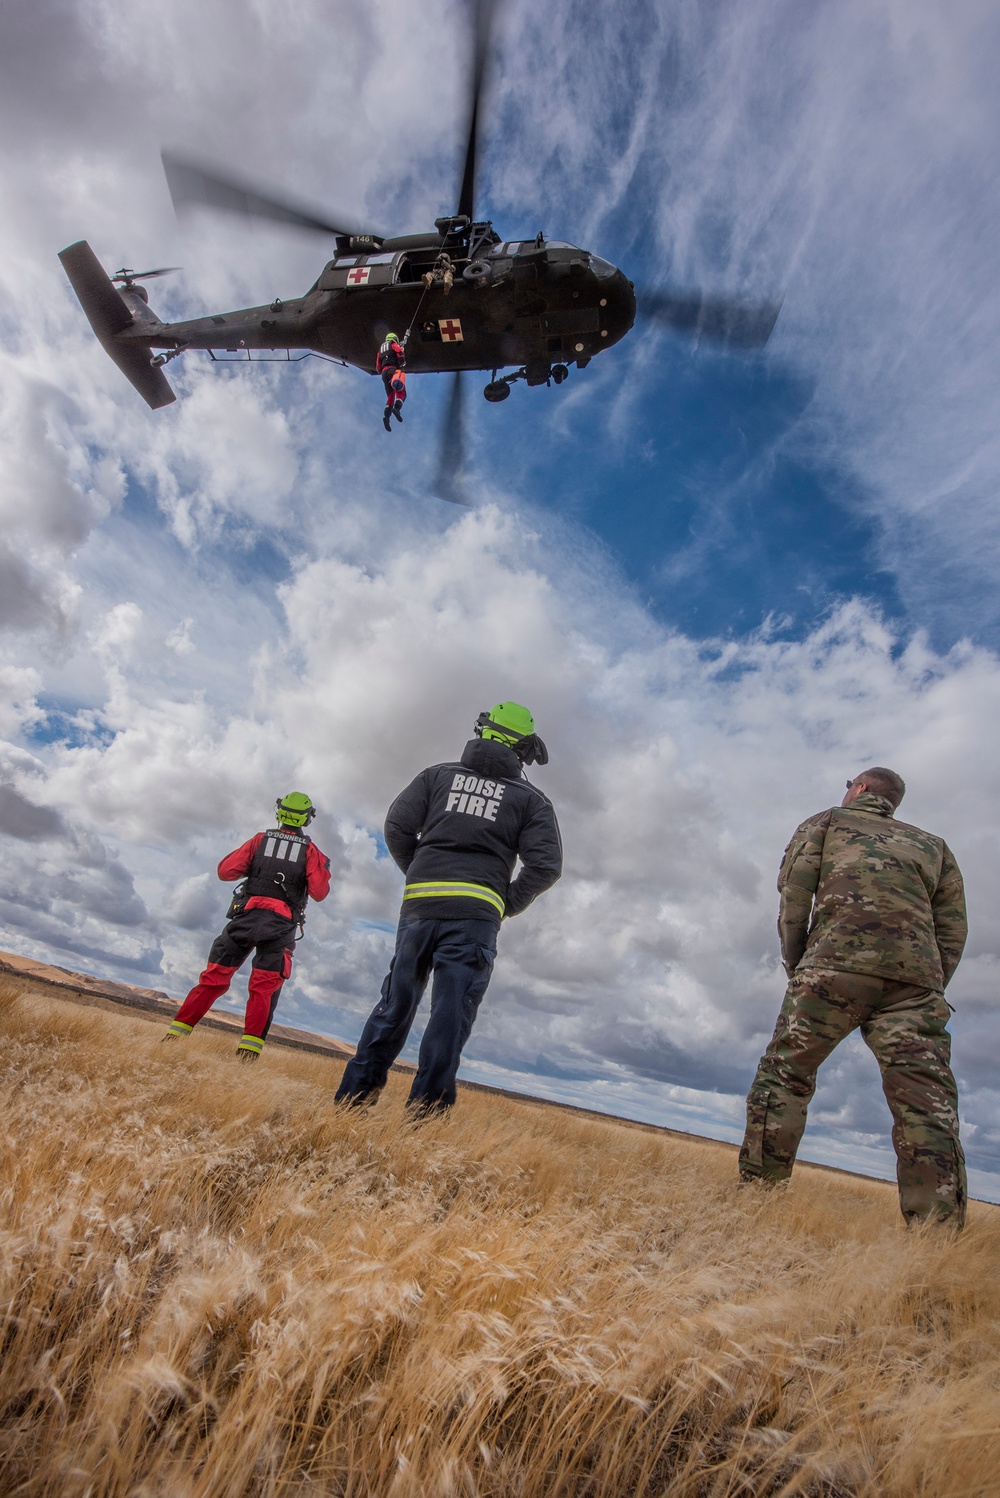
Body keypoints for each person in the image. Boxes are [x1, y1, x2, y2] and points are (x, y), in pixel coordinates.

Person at [739, 767, 968, 1225]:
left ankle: (756, 1206)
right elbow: (953, 929)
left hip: (831, 967)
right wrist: (930, 983)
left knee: (785, 1076)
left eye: (849, 785)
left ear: (859, 789)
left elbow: (794, 899)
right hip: (916, 984)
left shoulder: (825, 823)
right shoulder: (935, 846)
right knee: (927, 1104)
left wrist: (798, 963)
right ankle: (938, 1240)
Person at [335, 702, 562, 1112]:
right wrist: (503, 903)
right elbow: (546, 866)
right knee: (450, 1017)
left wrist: (419, 875)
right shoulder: (532, 800)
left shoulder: (436, 776)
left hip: (420, 908)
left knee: (393, 1006)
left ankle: (351, 1106)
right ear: (524, 748)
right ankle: (422, 1123)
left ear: (482, 731)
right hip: (475, 920)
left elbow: (397, 827)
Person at [165, 792, 331, 1060]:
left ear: (279, 812)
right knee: (263, 989)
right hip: (280, 927)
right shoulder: (311, 852)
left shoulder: (259, 841)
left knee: (213, 979)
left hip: (245, 918)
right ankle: (247, 1056)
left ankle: (173, 1038)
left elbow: (225, 871)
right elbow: (320, 892)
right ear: (307, 819)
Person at [376, 331, 407, 432]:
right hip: (393, 370)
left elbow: (378, 367)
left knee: (390, 396)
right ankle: (397, 408)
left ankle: (386, 417)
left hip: (384, 373)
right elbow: (399, 352)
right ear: (394, 339)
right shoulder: (393, 344)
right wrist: (402, 361)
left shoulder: (380, 350)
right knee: (401, 390)